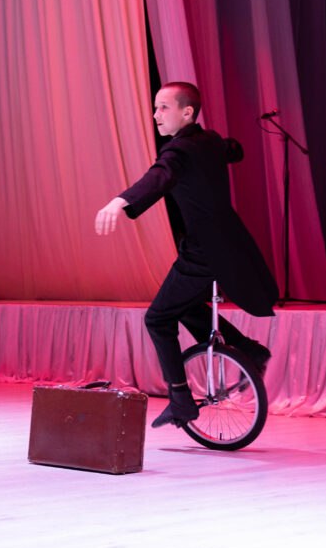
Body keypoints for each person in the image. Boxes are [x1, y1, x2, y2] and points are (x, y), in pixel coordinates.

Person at [95, 81, 279, 428]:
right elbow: (232, 149)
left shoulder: (178, 151)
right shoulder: (208, 141)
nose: (156, 115)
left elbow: (159, 176)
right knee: (184, 306)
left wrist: (119, 201)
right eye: (155, 108)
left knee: (157, 318)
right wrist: (228, 149)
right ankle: (248, 349)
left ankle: (180, 399)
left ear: (187, 112)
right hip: (228, 244)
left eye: (163, 108)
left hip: (203, 252)